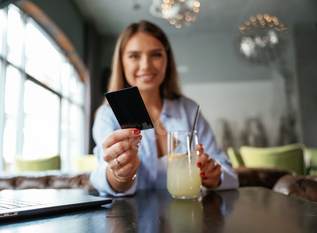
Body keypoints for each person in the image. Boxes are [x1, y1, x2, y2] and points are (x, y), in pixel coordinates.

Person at [90, 20, 239, 196]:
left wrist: (213, 177)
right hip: (132, 220)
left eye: (156, 54)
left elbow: (228, 172)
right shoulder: (108, 115)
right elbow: (102, 174)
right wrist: (120, 174)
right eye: (134, 56)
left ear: (167, 61)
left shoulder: (189, 110)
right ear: (121, 63)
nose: (146, 65)